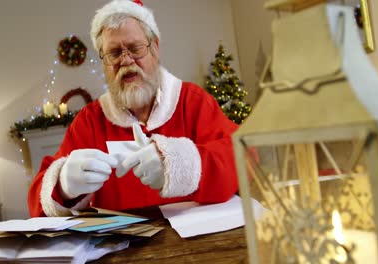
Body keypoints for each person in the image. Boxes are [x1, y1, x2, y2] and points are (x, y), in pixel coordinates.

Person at [28, 0, 239, 217]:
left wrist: (179, 165)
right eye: (114, 52)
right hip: (120, 249)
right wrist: (63, 185)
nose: (126, 60)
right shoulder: (89, 121)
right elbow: (37, 203)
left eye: (135, 48)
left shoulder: (192, 101)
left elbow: (243, 158)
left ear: (155, 48)